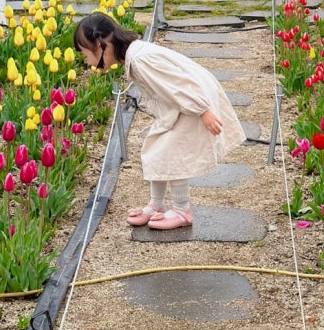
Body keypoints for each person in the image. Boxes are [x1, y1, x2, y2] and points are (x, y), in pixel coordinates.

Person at [73, 12, 247, 230]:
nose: (87, 61)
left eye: (85, 54)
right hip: (183, 102)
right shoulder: (135, 55)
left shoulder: (141, 60)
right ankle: (156, 204)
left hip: (193, 100)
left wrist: (202, 110)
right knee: (157, 149)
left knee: (173, 152)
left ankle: (182, 210)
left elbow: (178, 84)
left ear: (101, 45)